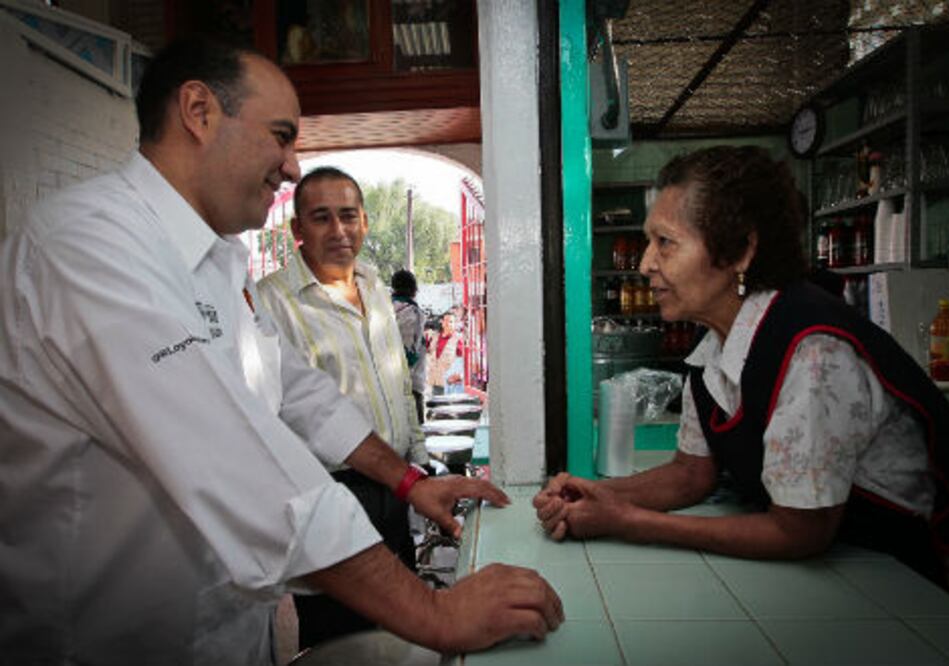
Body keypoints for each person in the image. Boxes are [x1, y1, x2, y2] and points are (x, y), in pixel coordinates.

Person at [0, 37, 562, 665]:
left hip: (228, 632)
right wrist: (433, 611)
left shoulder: (218, 260)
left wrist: (407, 482)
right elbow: (223, 449)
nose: (293, 166)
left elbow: (297, 392)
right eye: (281, 135)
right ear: (199, 111)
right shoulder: (89, 244)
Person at [534, 145, 949, 587]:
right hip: (853, 568)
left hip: (921, 573)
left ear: (739, 251)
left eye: (664, 242)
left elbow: (800, 531)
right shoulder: (715, 348)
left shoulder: (812, 352)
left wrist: (625, 520)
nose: (646, 263)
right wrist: (592, 494)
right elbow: (691, 474)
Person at [256, 168, 429, 647]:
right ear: (297, 231)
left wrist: (416, 455)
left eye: (348, 216)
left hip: (394, 483)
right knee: (345, 641)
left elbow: (397, 382)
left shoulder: (374, 288)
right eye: (321, 218)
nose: (338, 231)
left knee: (403, 628)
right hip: (330, 496)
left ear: (365, 223)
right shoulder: (272, 303)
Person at [391, 268, 428, 423]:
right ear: (414, 290)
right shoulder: (413, 313)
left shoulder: (382, 308)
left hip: (387, 387)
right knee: (415, 437)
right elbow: (411, 354)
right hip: (410, 386)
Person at [427, 310, 464, 395]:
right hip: (435, 382)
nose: (448, 324)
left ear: (455, 324)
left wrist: (460, 376)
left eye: (451, 322)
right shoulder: (434, 337)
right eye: (446, 321)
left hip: (450, 385)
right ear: (442, 322)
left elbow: (464, 363)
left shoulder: (458, 340)